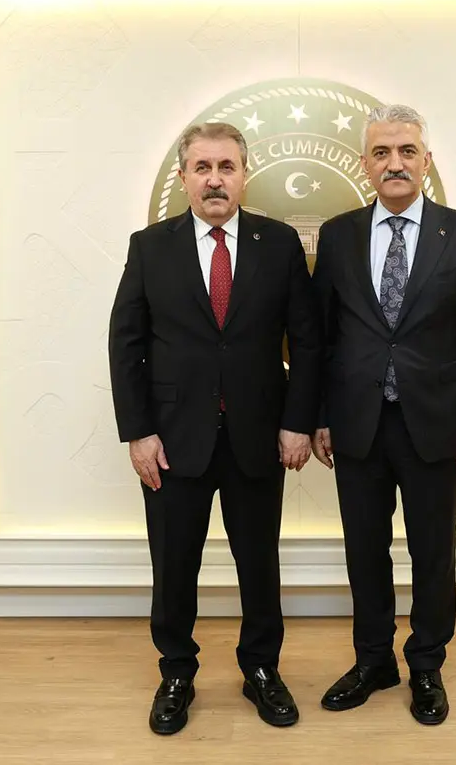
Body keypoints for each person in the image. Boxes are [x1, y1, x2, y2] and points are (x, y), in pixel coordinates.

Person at [108, 122, 321, 735]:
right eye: (202, 167)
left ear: (244, 175)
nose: (215, 179)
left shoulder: (278, 244)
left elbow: (307, 342)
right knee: (174, 565)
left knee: (259, 564)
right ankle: (176, 672)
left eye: (226, 167)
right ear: (183, 178)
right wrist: (138, 432)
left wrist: (298, 423)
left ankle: (261, 669)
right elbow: (125, 345)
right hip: (172, 441)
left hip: (259, 435)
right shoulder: (150, 247)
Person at [310, 104, 456, 725]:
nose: (394, 163)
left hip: (438, 424)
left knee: (432, 551)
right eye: (381, 153)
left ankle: (425, 664)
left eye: (406, 151)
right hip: (356, 423)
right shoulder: (337, 235)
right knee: (364, 551)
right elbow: (320, 337)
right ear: (365, 164)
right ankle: (373, 661)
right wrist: (319, 414)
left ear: (426, 161)